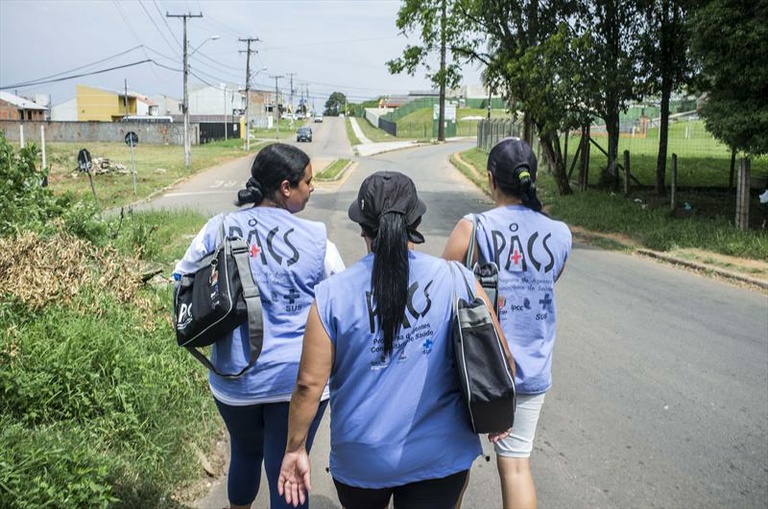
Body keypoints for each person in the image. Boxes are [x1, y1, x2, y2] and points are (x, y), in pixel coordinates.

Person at [277, 170, 508, 509]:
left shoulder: (330, 295)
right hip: (440, 456)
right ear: (415, 220)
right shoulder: (457, 277)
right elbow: (499, 355)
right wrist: (499, 410)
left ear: (363, 228)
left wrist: (295, 448)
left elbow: (309, 386)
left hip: (362, 460)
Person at [173, 143, 345, 509]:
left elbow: (182, 277)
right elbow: (341, 300)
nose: (312, 188)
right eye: (308, 182)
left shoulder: (218, 227)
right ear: (286, 187)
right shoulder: (318, 239)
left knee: (246, 455)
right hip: (297, 384)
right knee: (288, 467)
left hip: (235, 378)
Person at [443, 137, 572, 509]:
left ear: (491, 179)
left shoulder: (473, 228)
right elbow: (550, 278)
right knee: (516, 467)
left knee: (453, 464)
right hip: (529, 371)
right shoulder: (560, 233)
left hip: (473, 369)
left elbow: (443, 285)